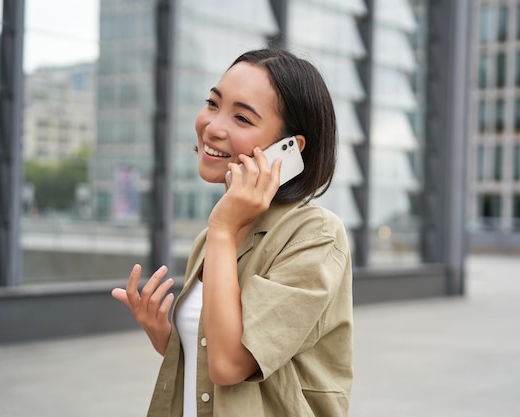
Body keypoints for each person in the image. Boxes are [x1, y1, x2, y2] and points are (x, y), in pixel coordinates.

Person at [112, 48, 353, 417]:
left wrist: (222, 229)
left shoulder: (315, 235)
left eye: (241, 117)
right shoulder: (216, 235)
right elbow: (211, 359)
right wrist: (166, 335)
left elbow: (229, 366)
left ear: (288, 149)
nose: (213, 126)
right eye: (213, 103)